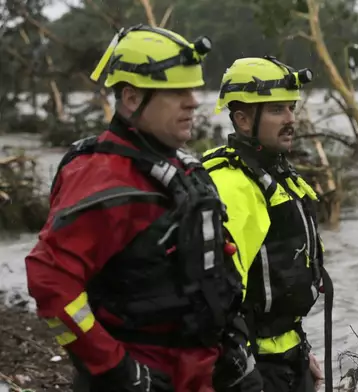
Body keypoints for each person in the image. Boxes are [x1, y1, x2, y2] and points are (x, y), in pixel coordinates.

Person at [24, 24, 262, 392]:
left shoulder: (186, 169)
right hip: (142, 377)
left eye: (193, 88)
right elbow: (50, 283)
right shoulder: (102, 178)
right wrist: (116, 368)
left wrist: (237, 345)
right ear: (132, 98)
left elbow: (217, 270)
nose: (193, 101)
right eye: (177, 91)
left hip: (201, 372)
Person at [201, 56, 334, 392]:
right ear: (243, 119)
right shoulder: (232, 186)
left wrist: (301, 354)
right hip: (254, 368)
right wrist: (244, 376)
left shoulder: (275, 175)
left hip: (289, 357)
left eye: (291, 108)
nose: (291, 119)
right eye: (277, 110)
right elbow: (218, 302)